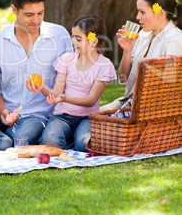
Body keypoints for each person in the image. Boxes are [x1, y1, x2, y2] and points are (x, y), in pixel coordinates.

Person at [75, 0, 182, 151]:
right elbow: (124, 78)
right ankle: (88, 141)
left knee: (89, 123)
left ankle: (92, 143)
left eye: (142, 12)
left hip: (149, 112)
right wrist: (127, 50)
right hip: (128, 103)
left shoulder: (174, 39)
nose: (137, 17)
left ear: (159, 13)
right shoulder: (144, 35)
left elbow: (170, 89)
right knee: (84, 117)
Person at [0, 0, 73, 145]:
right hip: (3, 110)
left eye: (40, 13)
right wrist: (3, 111)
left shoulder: (59, 35)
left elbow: (71, 78)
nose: (36, 21)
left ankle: (0, 137)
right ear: (14, 10)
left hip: (37, 115)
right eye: (29, 15)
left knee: (19, 139)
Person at [26, 15, 117, 151]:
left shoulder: (104, 65)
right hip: (63, 117)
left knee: (84, 144)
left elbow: (91, 100)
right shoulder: (66, 59)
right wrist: (42, 87)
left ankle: (74, 139)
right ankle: (69, 138)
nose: (73, 41)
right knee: (50, 140)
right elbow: (57, 93)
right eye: (72, 36)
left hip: (87, 118)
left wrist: (66, 99)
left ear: (93, 42)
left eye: (78, 39)